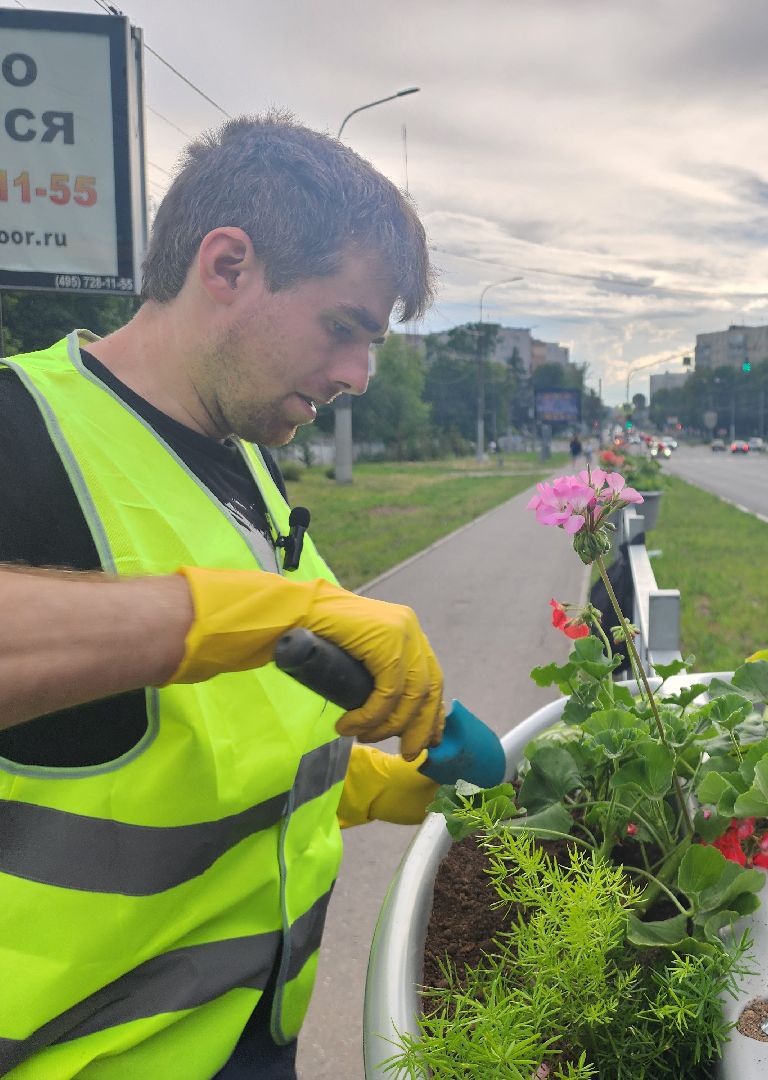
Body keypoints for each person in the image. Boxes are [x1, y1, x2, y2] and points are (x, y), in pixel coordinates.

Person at [0, 113, 448, 1079]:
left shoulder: (244, 457)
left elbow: (201, 730)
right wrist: (256, 613)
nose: (356, 377)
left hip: (250, 1035)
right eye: (344, 328)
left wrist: (351, 787)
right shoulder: (16, 426)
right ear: (228, 265)